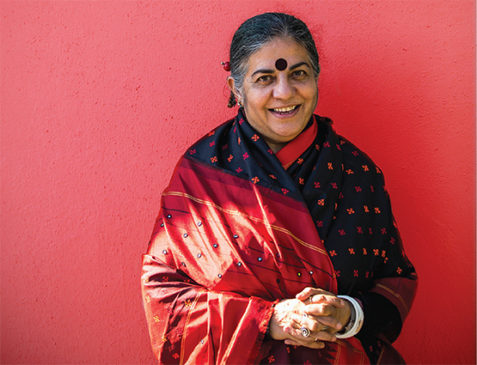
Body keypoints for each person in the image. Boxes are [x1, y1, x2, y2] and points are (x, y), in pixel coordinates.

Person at [141, 12, 417, 364]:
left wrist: (349, 315)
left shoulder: (357, 172)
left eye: (298, 74)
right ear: (236, 89)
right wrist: (268, 320)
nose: (284, 92)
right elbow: (163, 293)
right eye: (265, 78)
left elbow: (396, 282)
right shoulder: (202, 174)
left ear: (316, 78)